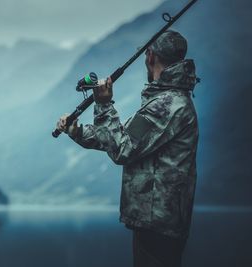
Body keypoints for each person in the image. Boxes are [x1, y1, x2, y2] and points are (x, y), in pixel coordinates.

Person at [57, 30, 199, 267]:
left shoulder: (166, 105)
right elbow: (123, 138)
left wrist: (103, 105)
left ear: (150, 56)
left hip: (158, 223)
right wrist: (77, 131)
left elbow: (122, 149)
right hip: (156, 220)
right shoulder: (166, 101)